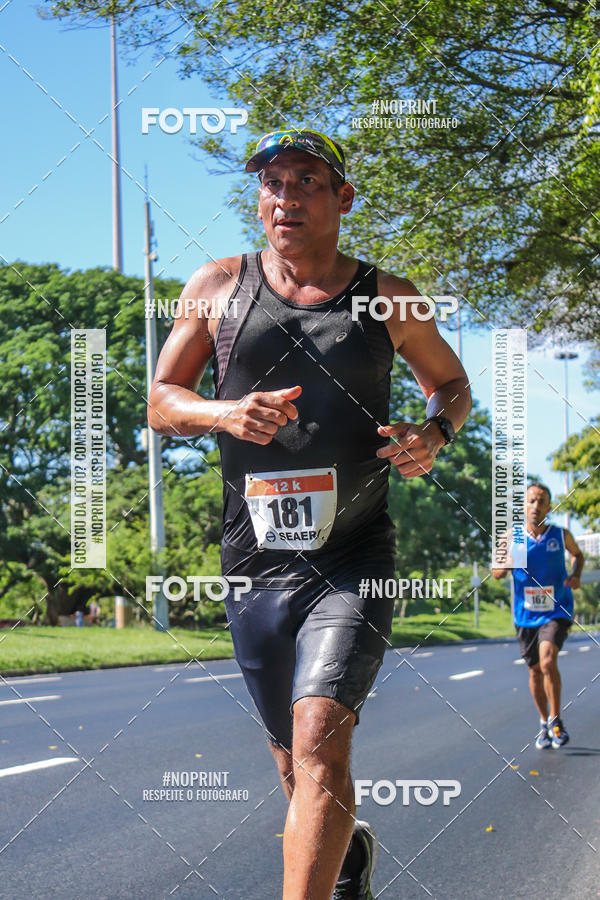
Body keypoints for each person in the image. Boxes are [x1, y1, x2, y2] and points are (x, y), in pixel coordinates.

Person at [148, 128, 471, 899]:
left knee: (319, 738)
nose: (284, 198)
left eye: (305, 183)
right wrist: (224, 414)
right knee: (297, 769)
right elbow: (162, 402)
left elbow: (452, 385)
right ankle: (347, 853)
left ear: (342, 200)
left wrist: (434, 433)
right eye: (273, 183)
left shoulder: (390, 295)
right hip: (254, 558)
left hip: (354, 551)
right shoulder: (219, 283)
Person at [492, 483, 584, 750]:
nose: (535, 506)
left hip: (557, 609)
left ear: (549, 506)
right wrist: (507, 561)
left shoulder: (560, 534)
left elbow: (578, 555)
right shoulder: (511, 536)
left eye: (541, 501)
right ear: (524, 506)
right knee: (534, 671)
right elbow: (497, 572)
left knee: (547, 661)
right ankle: (544, 723)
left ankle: (556, 720)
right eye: (531, 501)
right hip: (525, 614)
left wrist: (576, 575)